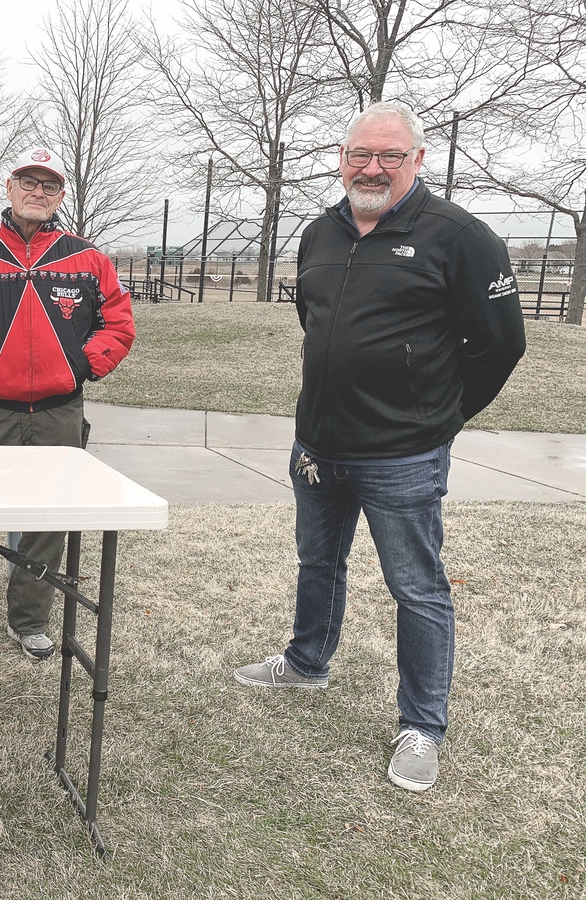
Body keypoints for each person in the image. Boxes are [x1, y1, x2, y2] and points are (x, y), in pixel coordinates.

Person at [233, 102, 526, 792]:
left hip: (402, 454)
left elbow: (500, 343)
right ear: (341, 158)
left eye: (390, 156)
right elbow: (317, 320)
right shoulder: (319, 232)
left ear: (417, 161)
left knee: (417, 589)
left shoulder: (459, 236)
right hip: (317, 445)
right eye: (359, 154)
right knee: (318, 562)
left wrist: (438, 419)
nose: (371, 167)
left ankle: (422, 724)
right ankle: (307, 663)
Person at [0, 146, 136, 660]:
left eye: (50, 185)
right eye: (28, 182)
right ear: (10, 188)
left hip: (60, 412)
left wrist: (83, 367)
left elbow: (119, 326)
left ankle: (31, 621)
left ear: (61, 195)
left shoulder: (88, 259)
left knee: (45, 522)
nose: (38, 193)